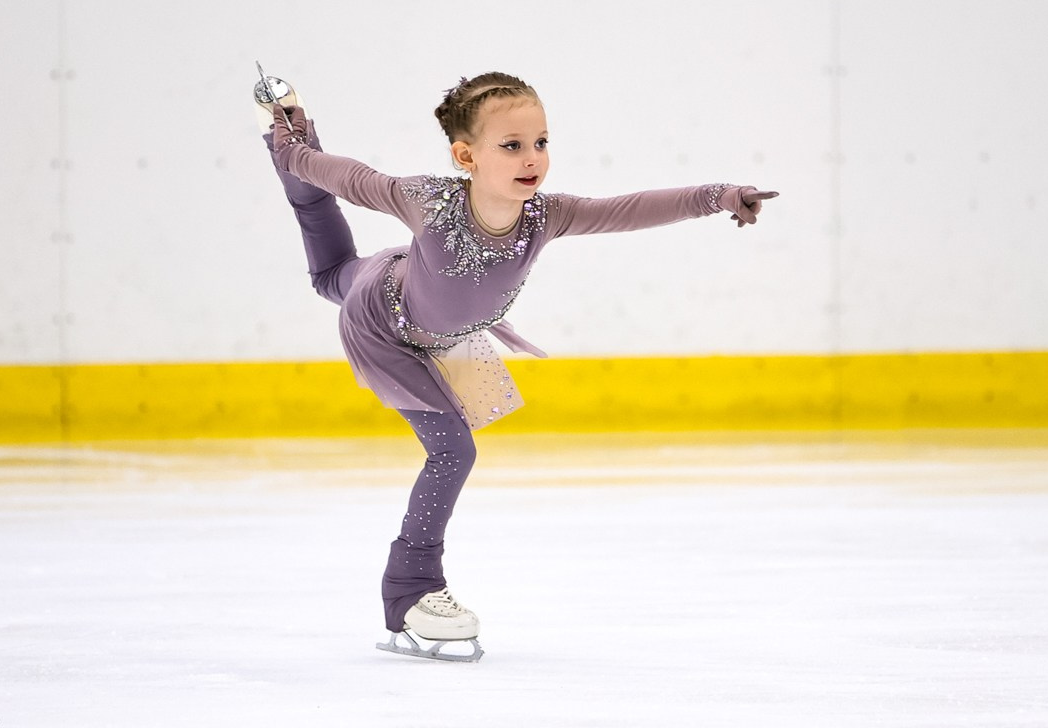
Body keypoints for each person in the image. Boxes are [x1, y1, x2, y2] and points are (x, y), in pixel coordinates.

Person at [262, 72, 778, 661]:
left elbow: (627, 209)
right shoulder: (429, 201)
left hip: (414, 299)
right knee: (453, 449)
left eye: (541, 142)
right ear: (466, 156)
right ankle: (411, 590)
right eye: (511, 146)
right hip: (385, 324)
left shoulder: (544, 217)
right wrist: (297, 154)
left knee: (332, 275)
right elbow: (354, 180)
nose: (532, 159)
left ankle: (286, 148)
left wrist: (718, 196)